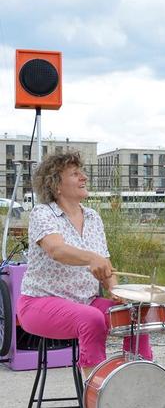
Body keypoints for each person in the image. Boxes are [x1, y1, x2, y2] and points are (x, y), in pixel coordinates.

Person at [17, 151, 153, 379]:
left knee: (134, 315)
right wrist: (91, 258)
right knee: (91, 318)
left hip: (86, 301)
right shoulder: (43, 213)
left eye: (83, 173)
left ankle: (137, 380)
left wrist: (116, 290)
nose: (84, 178)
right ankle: (98, 391)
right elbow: (56, 249)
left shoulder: (93, 217)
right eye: (75, 174)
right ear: (56, 185)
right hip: (38, 304)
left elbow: (104, 263)